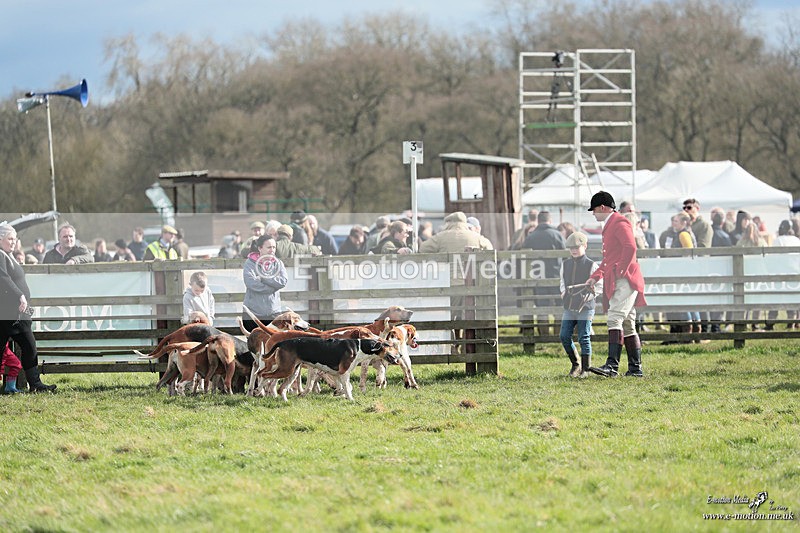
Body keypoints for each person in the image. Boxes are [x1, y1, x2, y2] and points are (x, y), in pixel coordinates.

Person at [584, 191, 647, 378]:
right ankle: (635, 369)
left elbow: (631, 247)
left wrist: (620, 269)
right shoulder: (610, 224)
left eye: (594, 210)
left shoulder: (619, 222)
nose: (594, 214)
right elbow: (607, 260)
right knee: (628, 324)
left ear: (602, 208)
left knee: (614, 318)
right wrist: (595, 277)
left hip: (626, 278)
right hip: (619, 277)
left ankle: (612, 366)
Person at [0, 223, 57, 392]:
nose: (13, 242)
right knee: (26, 346)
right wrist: (20, 295)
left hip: (17, 312)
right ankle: (35, 384)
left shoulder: (8, 255)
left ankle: (35, 384)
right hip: (8, 312)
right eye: (9, 238)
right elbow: (3, 278)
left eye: (14, 238)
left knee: (29, 346)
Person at [559, 232, 601, 378]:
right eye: (571, 248)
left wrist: (589, 297)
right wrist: (564, 293)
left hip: (586, 307)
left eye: (577, 247)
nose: (574, 250)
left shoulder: (592, 265)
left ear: (585, 246)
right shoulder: (565, 264)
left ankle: (586, 368)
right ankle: (576, 363)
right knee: (564, 336)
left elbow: (599, 286)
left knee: (584, 336)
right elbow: (562, 282)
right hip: (569, 306)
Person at [522, 211, 566, 336]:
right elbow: (565, 256)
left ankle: (544, 335)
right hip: (556, 276)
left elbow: (525, 257)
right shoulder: (557, 235)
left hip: (538, 277)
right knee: (559, 306)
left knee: (542, 307)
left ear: (538, 220)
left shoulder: (531, 237)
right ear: (550, 220)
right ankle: (559, 334)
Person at [242, 235, 287, 330]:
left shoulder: (278, 263)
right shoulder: (249, 263)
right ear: (260, 248)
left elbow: (283, 281)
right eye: (269, 247)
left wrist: (263, 278)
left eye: (274, 247)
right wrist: (273, 287)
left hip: (273, 312)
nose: (272, 250)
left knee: (273, 342)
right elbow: (251, 283)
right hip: (253, 313)